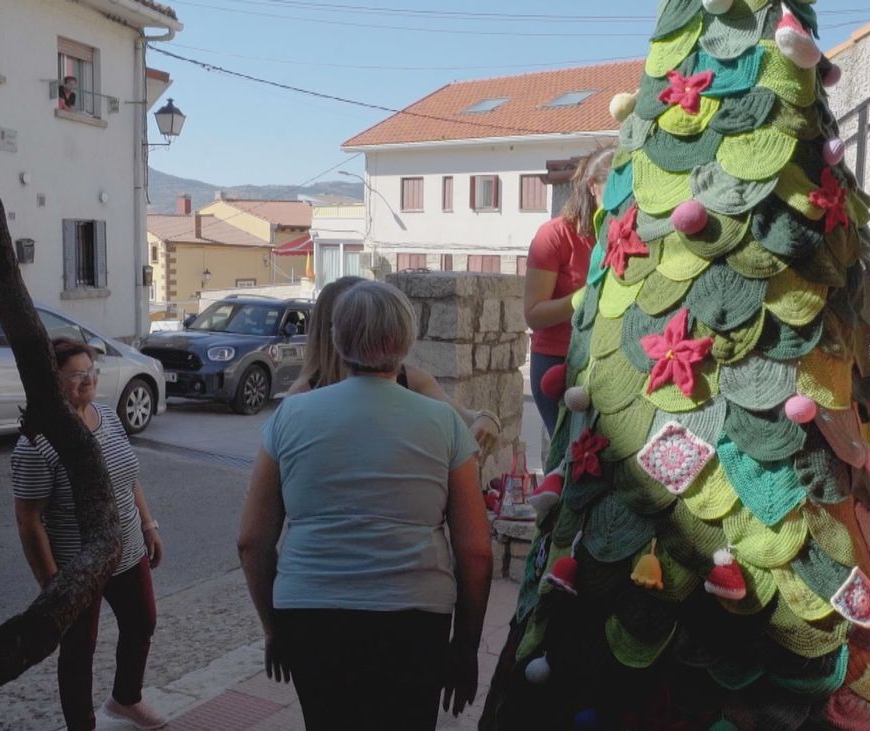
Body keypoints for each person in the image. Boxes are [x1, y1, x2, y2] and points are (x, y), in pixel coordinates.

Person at [238, 280, 494, 730]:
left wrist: (274, 627)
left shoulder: (291, 416)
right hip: (416, 619)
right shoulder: (443, 424)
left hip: (311, 616)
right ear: (407, 339)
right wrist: (466, 648)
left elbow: (252, 541)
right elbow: (474, 551)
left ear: (337, 338)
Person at [13, 337, 165, 731]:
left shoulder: (105, 415)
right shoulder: (37, 441)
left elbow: (128, 477)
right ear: (50, 381)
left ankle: (126, 698)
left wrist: (148, 524)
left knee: (142, 622)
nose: (87, 381)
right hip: (78, 565)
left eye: (90, 372)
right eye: (76, 375)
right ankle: (82, 725)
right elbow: (28, 521)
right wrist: (53, 585)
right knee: (79, 649)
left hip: (128, 548)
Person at [289, 275, 500, 455]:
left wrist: (487, 419)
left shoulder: (411, 379)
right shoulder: (302, 397)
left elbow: (465, 417)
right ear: (335, 331)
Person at [523, 146, 614, 434]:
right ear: (592, 186)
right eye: (616, 187)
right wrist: (582, 299)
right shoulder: (554, 236)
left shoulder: (624, 233)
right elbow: (533, 315)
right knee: (567, 456)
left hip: (604, 361)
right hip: (555, 361)